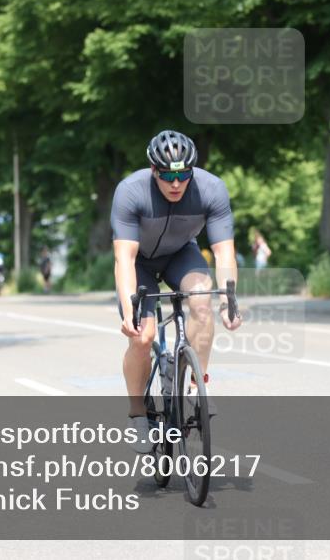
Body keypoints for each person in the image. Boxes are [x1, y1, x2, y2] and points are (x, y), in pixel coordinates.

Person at [111, 130, 243, 452]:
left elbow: (224, 253)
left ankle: (197, 388)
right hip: (140, 261)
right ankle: (138, 415)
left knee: (202, 302)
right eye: (167, 175)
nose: (175, 183)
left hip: (180, 255)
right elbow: (124, 258)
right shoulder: (130, 191)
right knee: (142, 337)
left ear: (192, 171)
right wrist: (130, 313)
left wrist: (229, 301)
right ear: (154, 170)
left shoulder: (211, 189)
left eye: (183, 175)